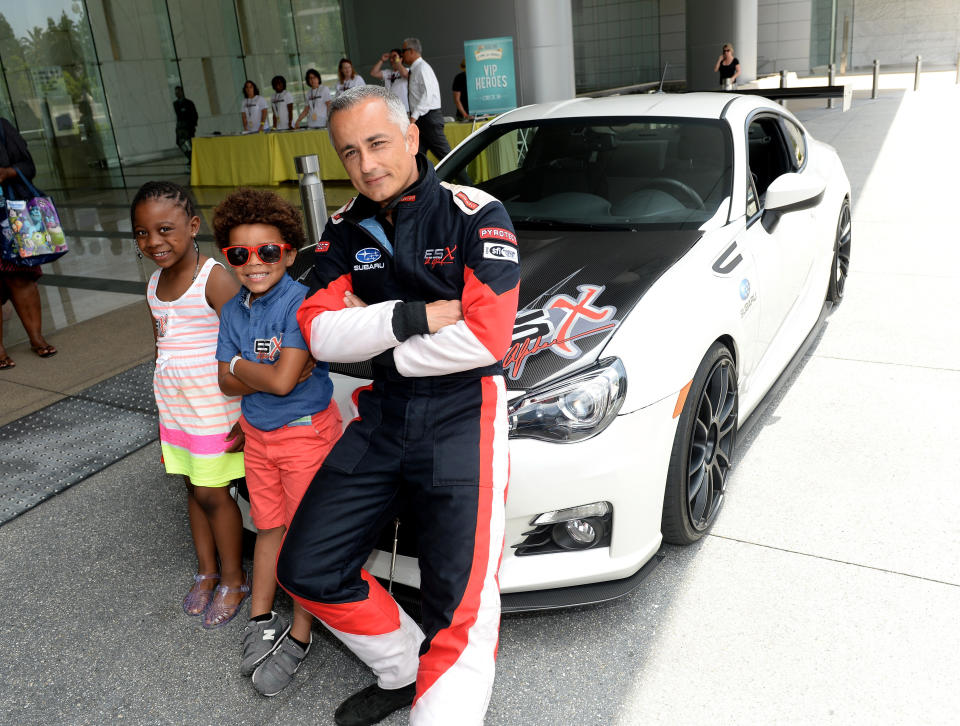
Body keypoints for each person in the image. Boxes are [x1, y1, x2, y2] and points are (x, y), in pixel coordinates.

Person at [275, 85, 520, 726]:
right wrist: (414, 318)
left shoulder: (477, 212)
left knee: (458, 602)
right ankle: (407, 666)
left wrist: (377, 340)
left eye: (378, 143)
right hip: (384, 413)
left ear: (412, 135)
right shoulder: (343, 228)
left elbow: (486, 340)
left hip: (465, 412)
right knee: (305, 566)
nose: (366, 164)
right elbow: (319, 333)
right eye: (349, 152)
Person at [212, 188, 342, 695]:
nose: (254, 263)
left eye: (267, 251)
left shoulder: (301, 304)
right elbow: (229, 383)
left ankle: (301, 634)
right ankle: (260, 618)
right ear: (229, 257)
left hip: (305, 436)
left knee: (303, 537)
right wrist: (264, 371)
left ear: (288, 252)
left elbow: (284, 384)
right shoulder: (233, 311)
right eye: (239, 254)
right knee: (268, 529)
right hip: (260, 438)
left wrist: (245, 368)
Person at [131, 181, 249, 628]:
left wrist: (248, 417)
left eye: (165, 229)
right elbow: (163, 345)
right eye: (142, 233)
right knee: (191, 490)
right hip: (178, 410)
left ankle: (234, 579)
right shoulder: (153, 285)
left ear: (193, 226)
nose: (154, 242)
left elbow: (244, 347)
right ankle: (207, 569)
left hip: (214, 410)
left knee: (213, 494)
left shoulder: (214, 278)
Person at [0, 116, 56, 369]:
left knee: (21, 276)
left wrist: (6, 172)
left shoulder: (1, 126)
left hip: (9, 215)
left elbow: (28, 166)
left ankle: (36, 337)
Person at [401, 38, 452, 162]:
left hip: (428, 119)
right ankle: (421, 181)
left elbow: (427, 96)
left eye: (403, 51)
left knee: (448, 159)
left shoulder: (422, 68)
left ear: (411, 51)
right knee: (417, 158)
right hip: (422, 120)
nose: (402, 55)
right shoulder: (416, 68)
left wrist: (413, 117)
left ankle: (466, 182)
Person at [369, 49, 409, 114]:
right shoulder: (387, 72)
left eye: (394, 57)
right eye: (390, 58)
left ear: (401, 59)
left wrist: (398, 61)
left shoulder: (407, 70)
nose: (391, 60)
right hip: (391, 110)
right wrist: (382, 60)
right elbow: (373, 73)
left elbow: (405, 74)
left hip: (404, 109)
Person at [173, 86, 198, 160]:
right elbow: (180, 114)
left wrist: (193, 125)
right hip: (180, 126)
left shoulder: (189, 103)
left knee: (190, 143)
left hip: (188, 126)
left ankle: (192, 158)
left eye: (178, 92)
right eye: (176, 92)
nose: (176, 94)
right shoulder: (175, 103)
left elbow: (194, 114)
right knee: (179, 143)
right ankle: (189, 156)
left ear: (182, 92)